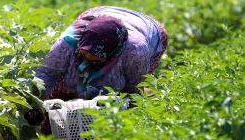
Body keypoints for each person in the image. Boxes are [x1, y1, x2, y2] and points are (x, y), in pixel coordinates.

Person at [35, 6, 168, 101]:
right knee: (61, 88)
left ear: (112, 54)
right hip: (100, 14)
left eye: (96, 57)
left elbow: (134, 89)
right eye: (85, 53)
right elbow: (46, 74)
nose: (88, 59)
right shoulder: (67, 42)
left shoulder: (136, 52)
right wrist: (36, 102)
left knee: (117, 94)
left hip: (148, 29)